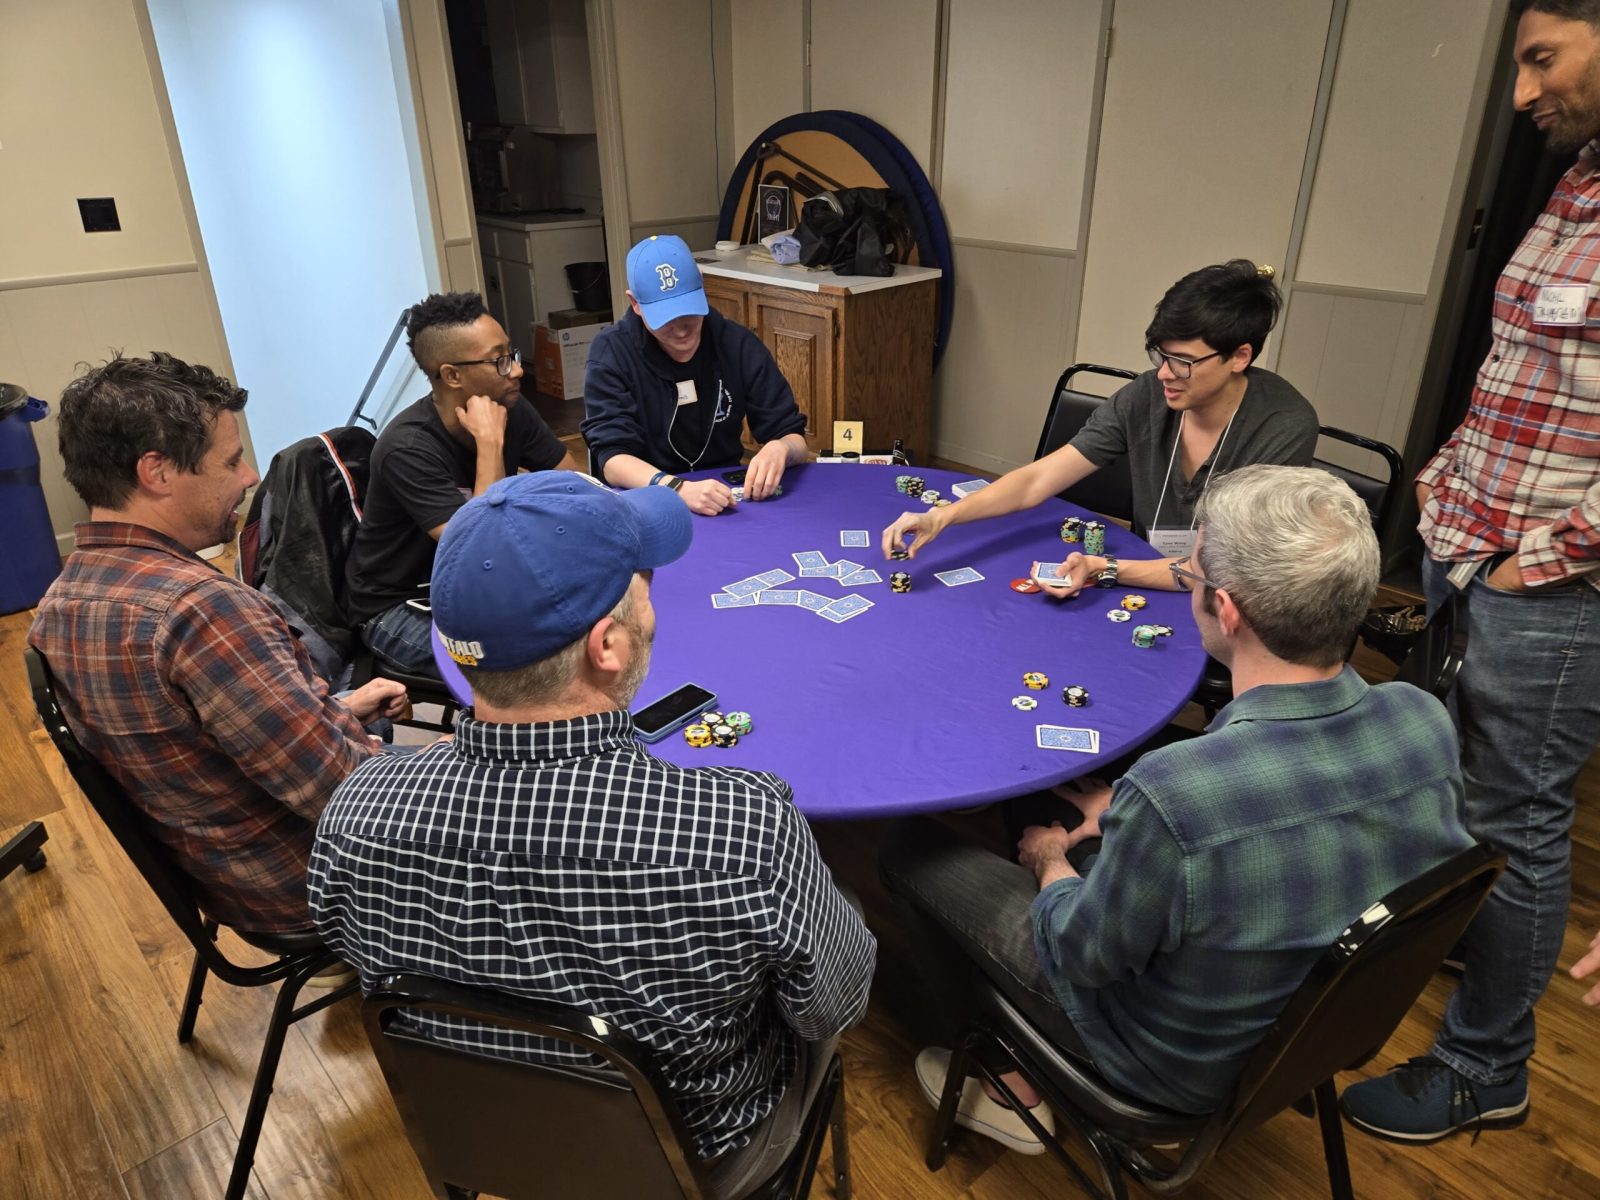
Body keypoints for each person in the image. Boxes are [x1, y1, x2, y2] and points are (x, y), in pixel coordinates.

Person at [879, 465, 1473, 1153]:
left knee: (911, 849)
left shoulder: (1178, 792)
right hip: (1307, 1042)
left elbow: (1078, 953)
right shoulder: (1423, 719)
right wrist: (1133, 817)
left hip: (1162, 1067)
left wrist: (1048, 862)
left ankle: (1005, 1080)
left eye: (1190, 573)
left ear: (1227, 610)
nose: (1184, 581)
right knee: (1088, 821)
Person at [310, 471, 875, 1193]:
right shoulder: (742, 830)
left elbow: (347, 945)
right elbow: (837, 1004)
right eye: (645, 588)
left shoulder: (354, 811)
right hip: (699, 1164)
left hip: (479, 1143)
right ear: (607, 645)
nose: (654, 606)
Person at [1339, 0, 1600, 1143]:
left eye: (1542, 59)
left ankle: (1487, 1067)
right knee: (1455, 780)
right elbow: (1520, 367)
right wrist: (1445, 487)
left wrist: (1532, 562)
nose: (1521, 92)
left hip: (1551, 587)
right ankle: (1473, 933)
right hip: (1472, 547)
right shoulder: (1579, 176)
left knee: (1516, 818)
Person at [29, 353, 408, 936]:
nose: (250, 476)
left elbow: (193, 741)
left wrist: (336, 709)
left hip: (225, 880)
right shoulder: (200, 610)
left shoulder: (59, 604)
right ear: (157, 472)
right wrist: (457, 768)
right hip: (318, 885)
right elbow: (347, 796)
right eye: (230, 461)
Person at [880, 260, 1318, 596]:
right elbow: (1036, 480)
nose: (1165, 373)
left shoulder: (1283, 426)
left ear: (1239, 357)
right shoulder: (1147, 395)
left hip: (1227, 597)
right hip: (1149, 574)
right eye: (1160, 355)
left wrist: (1104, 568)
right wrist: (942, 516)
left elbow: (1217, 570)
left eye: (1184, 361)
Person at [345, 292, 578, 674]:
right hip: (402, 606)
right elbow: (479, 550)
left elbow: (573, 484)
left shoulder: (510, 405)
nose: (517, 371)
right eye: (499, 360)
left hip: (485, 590)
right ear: (452, 375)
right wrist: (490, 445)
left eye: (511, 354)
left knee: (588, 618)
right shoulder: (407, 447)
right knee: (530, 663)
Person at [581, 235, 809, 515]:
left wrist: (781, 448)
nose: (680, 330)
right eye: (665, 318)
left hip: (723, 496)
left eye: (687, 312)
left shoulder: (737, 343)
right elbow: (613, 461)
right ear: (635, 303)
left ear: (702, 286)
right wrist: (677, 489)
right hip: (645, 499)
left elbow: (794, 438)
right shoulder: (612, 352)